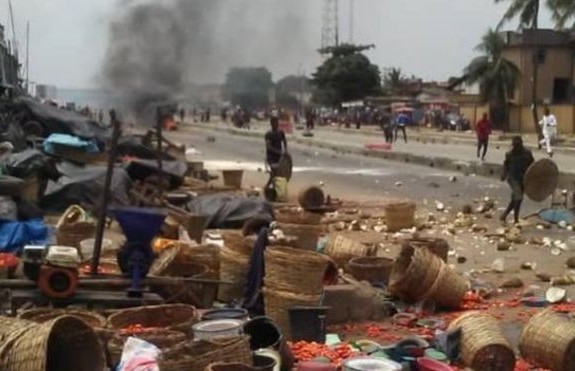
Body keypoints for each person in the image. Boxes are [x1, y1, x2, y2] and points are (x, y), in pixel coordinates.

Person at [500, 136, 534, 225]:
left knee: (515, 199)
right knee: (518, 197)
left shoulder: (527, 153)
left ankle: (504, 215)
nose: (516, 147)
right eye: (515, 146)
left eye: (518, 145)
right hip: (513, 178)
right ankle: (516, 219)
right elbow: (506, 164)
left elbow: (533, 166)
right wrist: (504, 174)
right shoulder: (510, 154)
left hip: (524, 179)